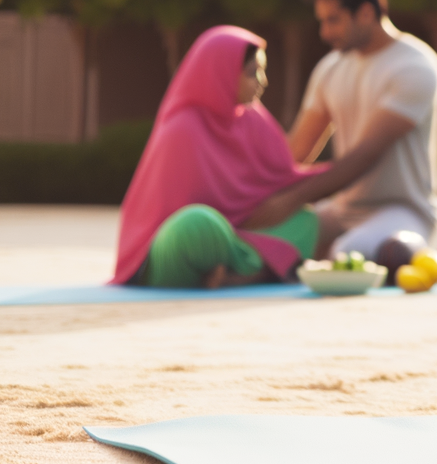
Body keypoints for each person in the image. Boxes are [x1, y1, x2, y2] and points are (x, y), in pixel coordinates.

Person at [112, 27, 320, 287]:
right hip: (180, 247)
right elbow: (173, 214)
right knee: (198, 225)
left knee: (305, 220)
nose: (263, 81)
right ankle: (256, 269)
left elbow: (282, 177)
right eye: (252, 73)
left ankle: (239, 274)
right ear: (222, 73)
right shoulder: (183, 127)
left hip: (238, 237)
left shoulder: (254, 120)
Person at [287, 0, 437, 258]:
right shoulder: (330, 68)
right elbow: (296, 151)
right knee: (270, 239)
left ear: (365, 13)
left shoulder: (416, 66)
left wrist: (290, 199)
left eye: (333, 20)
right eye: (321, 21)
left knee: (347, 254)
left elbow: (364, 156)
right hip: (341, 210)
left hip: (402, 210)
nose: (324, 32)